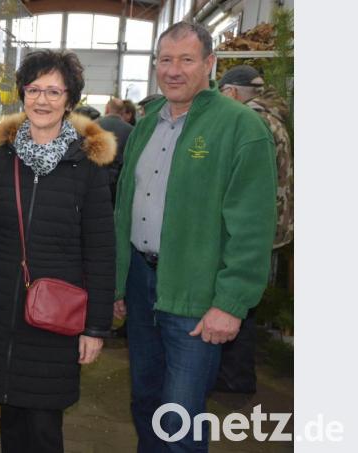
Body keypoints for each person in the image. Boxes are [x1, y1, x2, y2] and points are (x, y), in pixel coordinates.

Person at [113, 22, 276, 452]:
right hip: (142, 284)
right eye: (165, 60)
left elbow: (253, 226)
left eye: (186, 59)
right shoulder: (147, 124)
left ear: (209, 63)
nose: (173, 70)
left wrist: (231, 303)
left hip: (197, 296)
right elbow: (124, 207)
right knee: (145, 401)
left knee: (181, 416)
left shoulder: (241, 127)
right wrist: (118, 283)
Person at [0, 49, 117, 453]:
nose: (42, 100)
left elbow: (101, 251)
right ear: (22, 94)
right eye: (34, 89)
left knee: (43, 425)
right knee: (9, 416)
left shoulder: (87, 168)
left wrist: (95, 327)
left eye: (54, 92)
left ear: (69, 100)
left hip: (55, 317)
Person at [216, 64, 294, 394]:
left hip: (255, 226)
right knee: (248, 300)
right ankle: (237, 375)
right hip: (274, 223)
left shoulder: (251, 121)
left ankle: (235, 378)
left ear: (232, 93)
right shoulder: (273, 118)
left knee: (239, 301)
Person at [97, 97, 134, 204]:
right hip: (118, 181)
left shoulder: (94, 126)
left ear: (107, 108)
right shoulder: (131, 130)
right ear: (122, 111)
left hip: (96, 179)